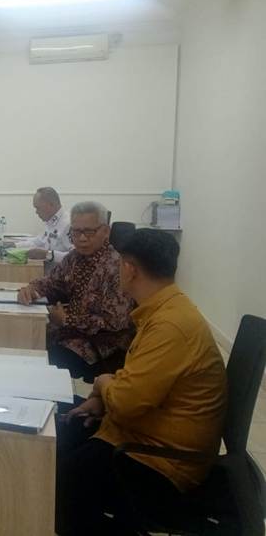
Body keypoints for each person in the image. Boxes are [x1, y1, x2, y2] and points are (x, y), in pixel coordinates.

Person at [55, 228, 227, 535]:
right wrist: (102, 396)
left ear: (130, 269)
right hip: (140, 432)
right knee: (59, 431)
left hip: (159, 460)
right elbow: (137, 378)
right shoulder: (165, 309)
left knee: (59, 486)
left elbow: (125, 403)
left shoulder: (170, 326)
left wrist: (102, 384)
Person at [17, 201, 134, 379]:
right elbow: (53, 282)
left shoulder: (116, 268)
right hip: (67, 333)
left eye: (89, 232)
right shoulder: (74, 258)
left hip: (100, 347)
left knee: (42, 364)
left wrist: (67, 320)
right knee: (25, 342)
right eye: (76, 232)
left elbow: (114, 323)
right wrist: (32, 288)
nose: (82, 238)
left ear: (105, 231)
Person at [13, 187, 73, 262]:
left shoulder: (68, 224)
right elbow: (38, 242)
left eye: (38, 208)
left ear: (51, 204)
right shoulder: (50, 221)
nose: (36, 212)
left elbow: (76, 257)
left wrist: (47, 254)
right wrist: (14, 245)